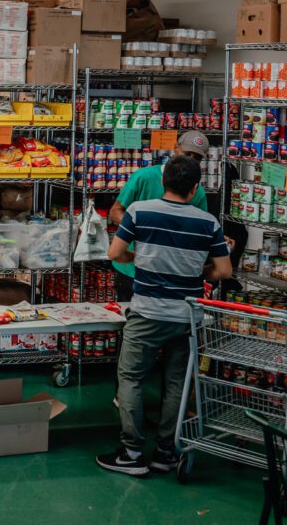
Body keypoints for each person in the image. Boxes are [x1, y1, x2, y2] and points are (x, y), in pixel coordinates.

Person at [97, 156, 233, 477]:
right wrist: (196, 268)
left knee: (131, 378)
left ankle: (131, 452)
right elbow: (224, 270)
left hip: (146, 312)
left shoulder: (139, 212)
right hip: (187, 315)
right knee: (175, 383)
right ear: (196, 187)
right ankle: (165, 452)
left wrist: (140, 256)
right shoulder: (208, 222)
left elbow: (114, 253)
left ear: (163, 182)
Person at [107, 130, 211, 297]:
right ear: (175, 148)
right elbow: (115, 212)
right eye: (187, 153)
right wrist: (141, 231)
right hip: (132, 269)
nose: (190, 160)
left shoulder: (197, 192)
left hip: (170, 272)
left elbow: (200, 229)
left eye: (196, 157)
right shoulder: (144, 177)